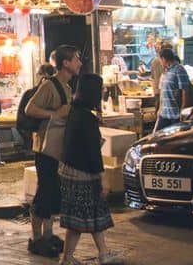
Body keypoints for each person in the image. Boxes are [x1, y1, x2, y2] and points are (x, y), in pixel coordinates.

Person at [25, 45, 82, 258]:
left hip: (56, 148)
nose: (79, 63)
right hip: (44, 148)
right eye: (76, 59)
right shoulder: (49, 86)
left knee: (51, 192)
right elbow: (29, 109)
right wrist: (55, 114)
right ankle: (37, 237)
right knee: (45, 192)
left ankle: (47, 235)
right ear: (65, 63)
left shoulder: (67, 87)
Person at [58, 73, 121, 265]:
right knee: (83, 216)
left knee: (87, 215)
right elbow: (93, 152)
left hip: (69, 169)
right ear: (93, 92)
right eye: (101, 88)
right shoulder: (86, 118)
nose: (103, 91)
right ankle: (71, 258)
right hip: (83, 173)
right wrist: (103, 177)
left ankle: (100, 253)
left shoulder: (75, 112)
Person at [16, 64, 57, 151]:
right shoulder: (55, 91)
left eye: (38, 74)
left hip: (39, 132)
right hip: (48, 133)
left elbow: (22, 117)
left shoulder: (33, 92)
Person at [155, 48, 190, 132]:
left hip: (176, 115)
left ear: (164, 59)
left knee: (175, 140)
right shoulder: (166, 72)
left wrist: (183, 111)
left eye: (160, 60)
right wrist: (160, 109)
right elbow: (163, 93)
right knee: (158, 137)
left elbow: (185, 91)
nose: (160, 63)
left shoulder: (179, 69)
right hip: (164, 114)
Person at [150, 42, 172, 110]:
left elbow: (152, 77)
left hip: (157, 90)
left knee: (159, 109)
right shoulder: (163, 61)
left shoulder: (154, 61)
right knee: (162, 109)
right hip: (163, 90)